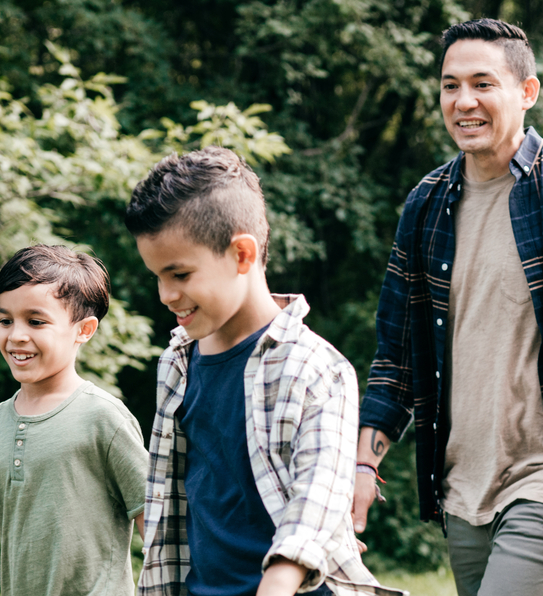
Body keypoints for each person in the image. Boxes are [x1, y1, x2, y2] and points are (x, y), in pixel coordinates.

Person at [353, 18, 543, 596]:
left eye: (482, 84)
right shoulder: (425, 205)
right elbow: (396, 357)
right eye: (450, 85)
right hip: (461, 489)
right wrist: (364, 465)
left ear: (527, 92)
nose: (463, 101)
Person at [127, 147, 401, 596]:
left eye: (180, 274)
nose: (165, 294)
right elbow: (173, 505)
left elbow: (313, 507)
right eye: (157, 276)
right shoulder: (176, 364)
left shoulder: (317, 368)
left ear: (242, 254)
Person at [0, 245, 150, 596]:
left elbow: (158, 529)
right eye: (5, 320)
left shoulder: (104, 419)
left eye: (36, 321)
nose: (16, 336)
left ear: (84, 330)